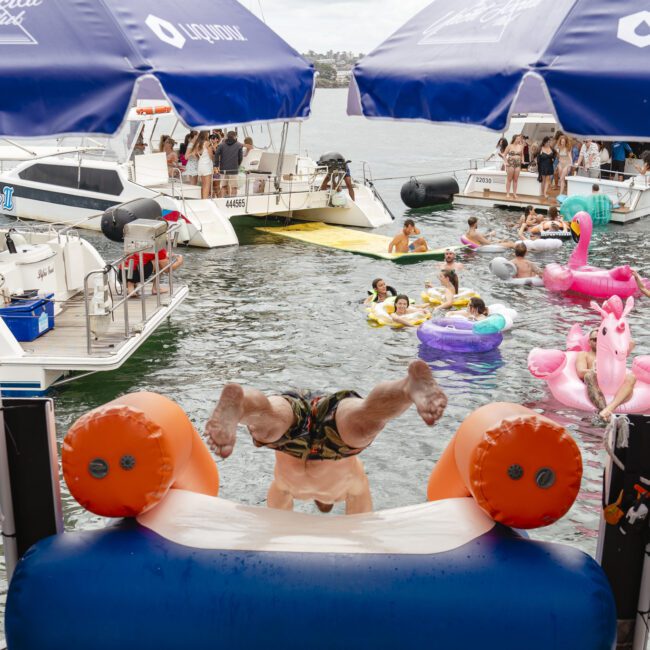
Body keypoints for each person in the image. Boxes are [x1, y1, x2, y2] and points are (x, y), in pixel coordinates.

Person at [204, 359, 448, 514]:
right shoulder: (353, 483)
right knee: (364, 420)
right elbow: (360, 525)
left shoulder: (285, 485)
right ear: (330, 502)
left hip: (313, 431)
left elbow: (277, 515)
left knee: (267, 417)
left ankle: (243, 405)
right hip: (328, 445)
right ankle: (406, 388)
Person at [576, 328, 636, 421]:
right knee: (589, 375)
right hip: (596, 383)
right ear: (589, 342)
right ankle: (603, 411)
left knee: (631, 377)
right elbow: (580, 372)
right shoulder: (584, 355)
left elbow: (631, 343)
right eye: (595, 339)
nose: (598, 342)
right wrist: (596, 371)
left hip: (612, 383)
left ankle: (608, 410)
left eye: (600, 339)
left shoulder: (612, 354)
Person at [214, 130, 244, 198]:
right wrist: (237, 165)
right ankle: (233, 201)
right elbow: (240, 158)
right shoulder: (239, 145)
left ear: (227, 136)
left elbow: (216, 154)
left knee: (224, 186)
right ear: (234, 136)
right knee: (234, 187)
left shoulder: (221, 145)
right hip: (234, 169)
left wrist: (216, 165)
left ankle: (224, 201)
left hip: (223, 169)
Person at [194, 131, 215, 199]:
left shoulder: (197, 144)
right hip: (207, 165)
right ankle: (205, 201)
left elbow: (196, 155)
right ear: (206, 135)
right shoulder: (207, 143)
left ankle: (203, 199)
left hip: (201, 165)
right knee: (207, 185)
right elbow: (211, 155)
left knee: (203, 185)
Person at [504, 134, 524, 199]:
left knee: (515, 179)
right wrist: (506, 162)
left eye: (519, 139)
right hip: (510, 163)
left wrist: (522, 160)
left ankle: (514, 194)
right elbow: (504, 155)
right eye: (517, 139)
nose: (519, 140)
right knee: (509, 179)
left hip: (518, 163)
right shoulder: (509, 146)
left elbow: (522, 155)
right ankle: (507, 193)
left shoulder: (521, 146)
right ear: (514, 139)